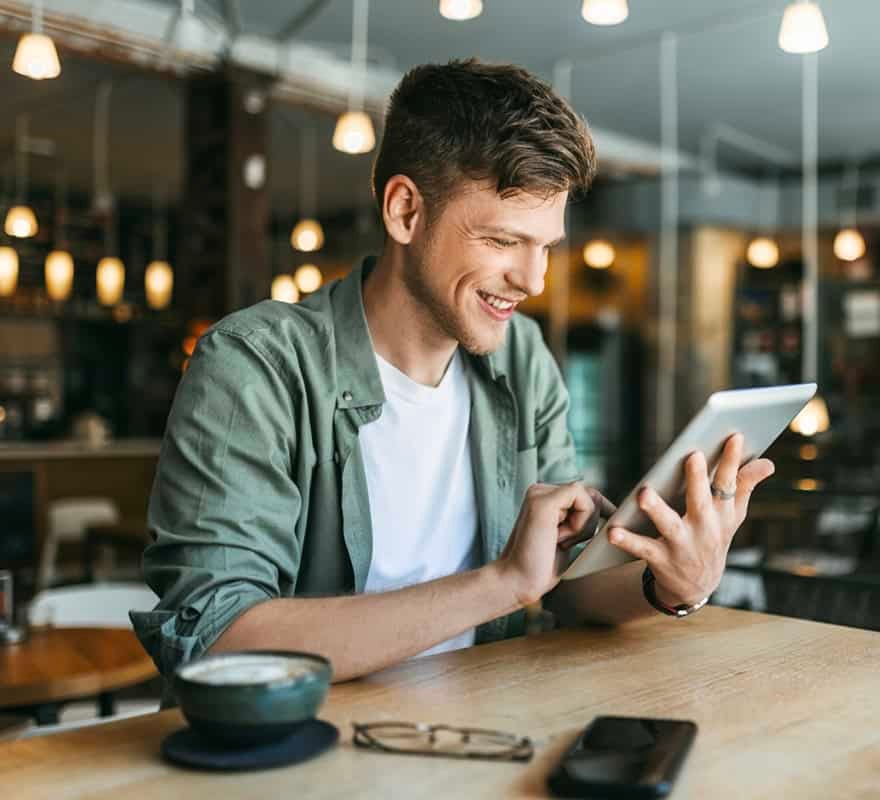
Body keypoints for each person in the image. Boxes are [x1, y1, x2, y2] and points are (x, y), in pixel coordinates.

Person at [132, 59, 775, 683]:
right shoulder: (255, 365)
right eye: (501, 242)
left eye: (544, 246)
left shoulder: (524, 361)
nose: (532, 280)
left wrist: (670, 584)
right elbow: (216, 638)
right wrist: (501, 585)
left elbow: (566, 589)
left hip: (477, 744)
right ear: (405, 211)